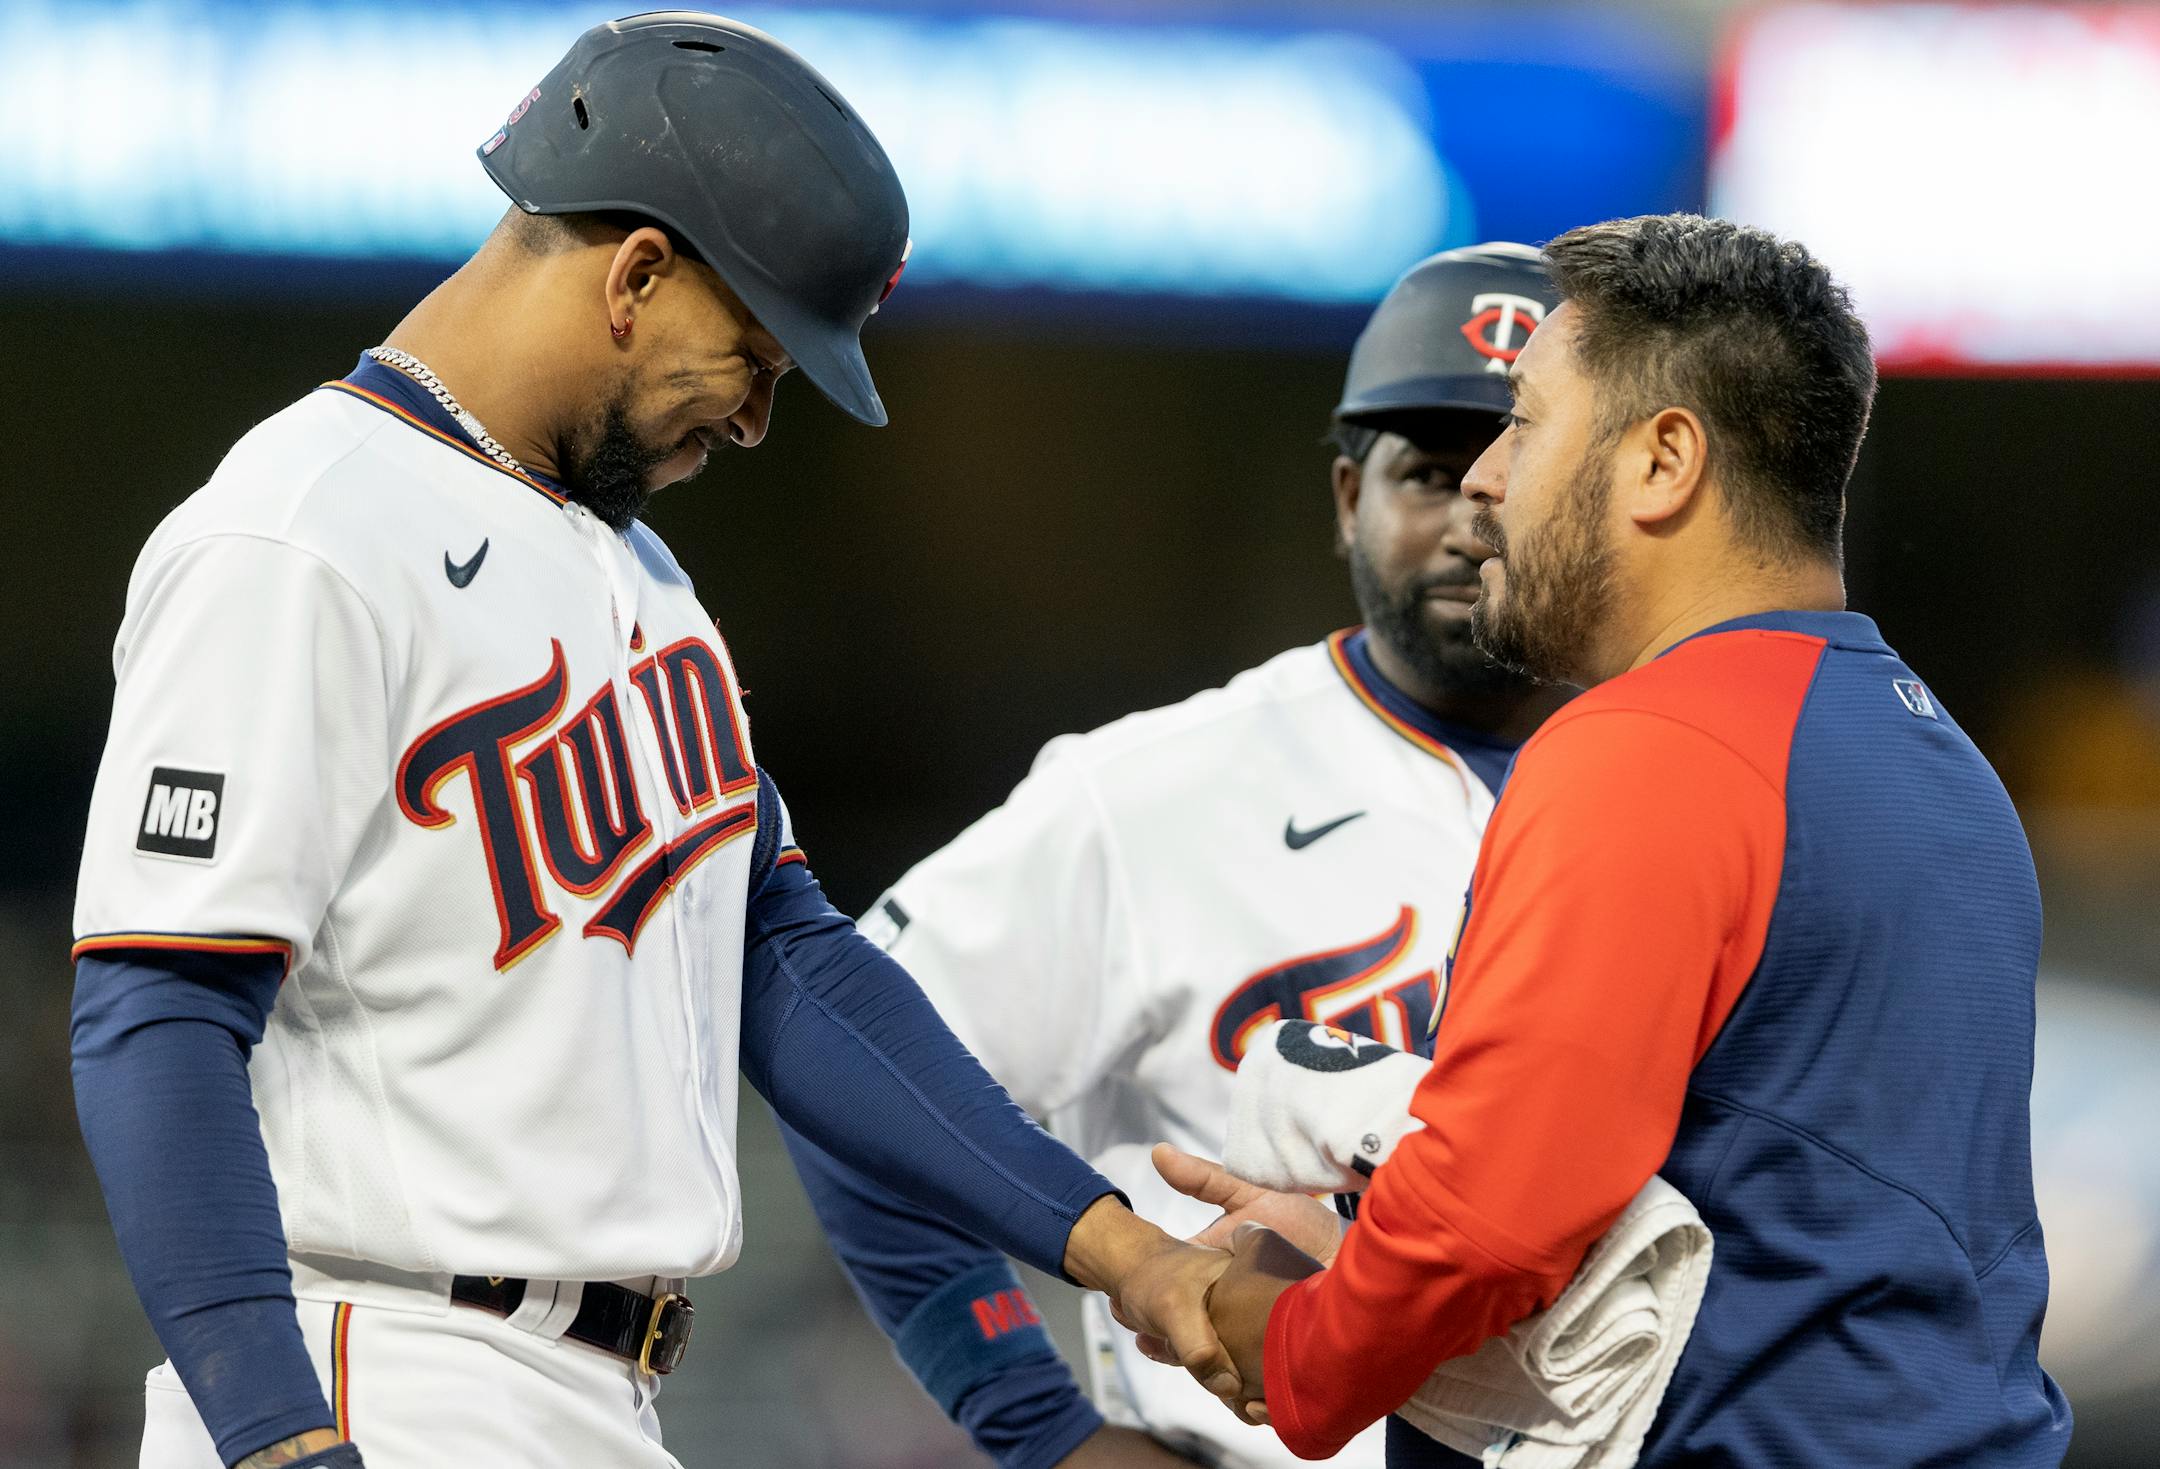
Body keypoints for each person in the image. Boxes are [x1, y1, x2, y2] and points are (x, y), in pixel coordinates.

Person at [66, 17, 1226, 1469]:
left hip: (591, 1397)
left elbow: (788, 960)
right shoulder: (303, 525)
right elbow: (160, 1013)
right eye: (755, 357)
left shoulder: (640, 577)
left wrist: (1117, 1249)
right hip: (380, 1363)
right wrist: (278, 1438)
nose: (754, 421)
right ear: (635, 273)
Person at [1189, 213, 2073, 1467]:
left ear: (1664, 461)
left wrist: (1283, 1332)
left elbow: (1491, 1224)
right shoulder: (1946, 762)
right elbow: (1786, 1215)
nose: (1488, 475)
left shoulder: (1655, 745)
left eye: (1526, 419)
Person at [782, 245, 1573, 1469]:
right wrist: (1041, 1425)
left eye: (1513, 468)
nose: (1475, 512)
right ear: (1345, 495)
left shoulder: (1675, 800)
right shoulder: (1154, 792)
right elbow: (854, 1078)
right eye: (1427, 471)